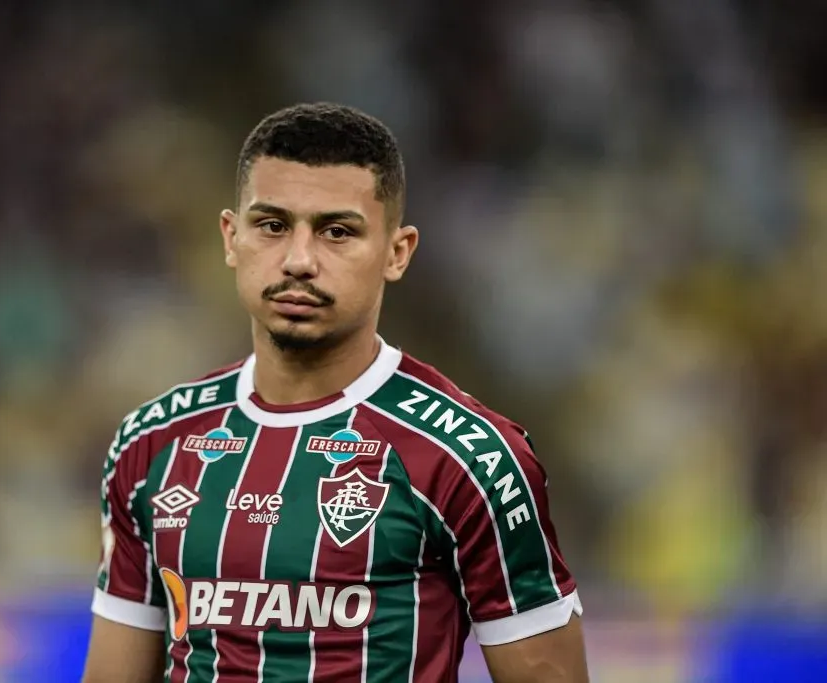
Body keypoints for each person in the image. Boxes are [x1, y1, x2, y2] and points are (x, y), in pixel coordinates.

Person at [81, 102, 589, 683]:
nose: (299, 260)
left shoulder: (472, 459)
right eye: (272, 225)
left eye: (337, 232)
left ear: (397, 253)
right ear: (230, 236)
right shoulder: (151, 444)